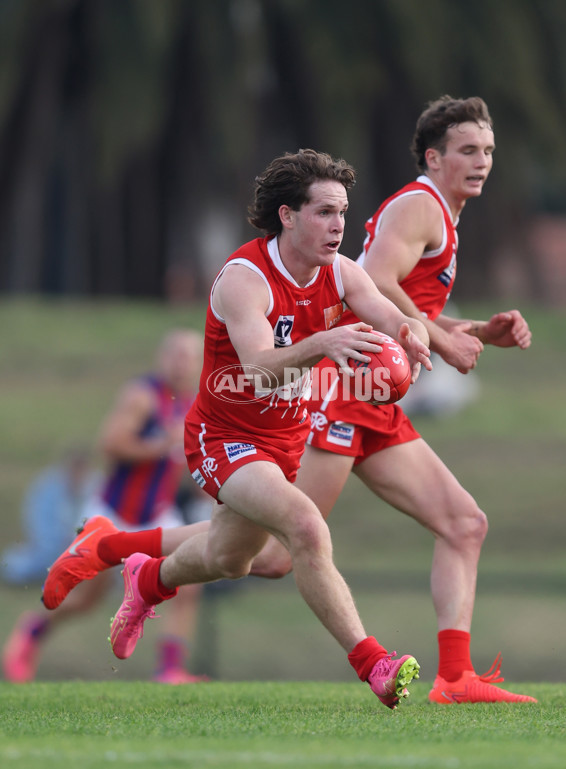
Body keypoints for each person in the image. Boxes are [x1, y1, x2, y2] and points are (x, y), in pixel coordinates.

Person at [42, 148, 432, 709]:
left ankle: (136, 570)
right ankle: (374, 662)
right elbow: (258, 368)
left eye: (343, 211)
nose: (338, 225)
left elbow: (381, 308)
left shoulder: (341, 271)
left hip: (285, 440)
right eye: (324, 211)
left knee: (232, 560)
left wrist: (410, 330)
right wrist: (324, 342)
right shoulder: (244, 278)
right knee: (305, 526)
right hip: (224, 437)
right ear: (288, 216)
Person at [249, 95, 537, 704]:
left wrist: (478, 332)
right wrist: (439, 339)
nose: (481, 161)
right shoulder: (421, 206)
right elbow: (372, 282)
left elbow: (412, 305)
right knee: (277, 553)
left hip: (374, 396)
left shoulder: (441, 216)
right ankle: (119, 548)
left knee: (463, 523)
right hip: (350, 391)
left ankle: (455, 678)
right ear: (433, 157)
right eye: (466, 150)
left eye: (487, 150)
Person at [3, 329, 210, 685]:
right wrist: (163, 443)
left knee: (190, 584)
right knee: (87, 600)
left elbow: (185, 461)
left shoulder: (192, 403)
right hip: (114, 514)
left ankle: (169, 668)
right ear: (162, 357)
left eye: (189, 355)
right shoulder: (143, 396)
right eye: (175, 353)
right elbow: (111, 443)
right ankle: (33, 630)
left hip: (158, 514)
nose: (181, 362)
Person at [0, 447, 99, 586]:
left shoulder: (96, 486)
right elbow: (39, 524)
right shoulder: (49, 488)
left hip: (86, 549)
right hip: (53, 548)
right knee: (27, 567)